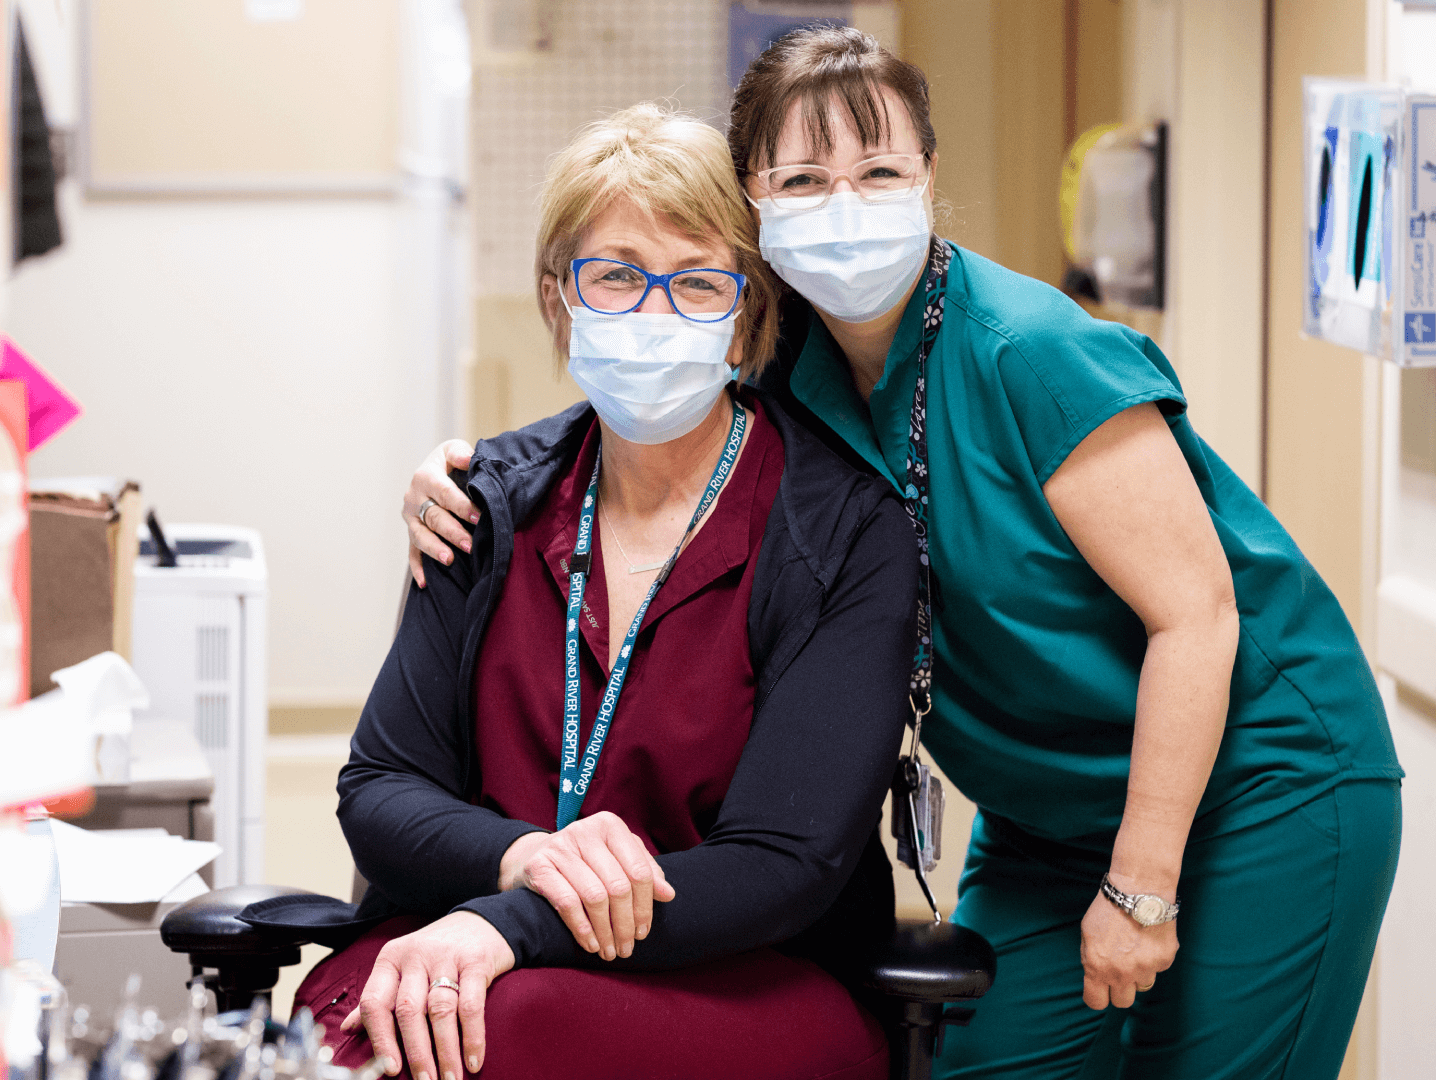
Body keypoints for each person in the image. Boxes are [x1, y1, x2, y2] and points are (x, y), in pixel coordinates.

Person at [404, 27, 1403, 1080]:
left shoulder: (1033, 353)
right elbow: (646, 395)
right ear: (753, 199)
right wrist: (467, 468)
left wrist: (1141, 890)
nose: (845, 204)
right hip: (1046, 813)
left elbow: (1195, 615)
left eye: (878, 170)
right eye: (803, 177)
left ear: (928, 174)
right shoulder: (787, 358)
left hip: (1261, 786)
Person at [298, 102, 918, 1080]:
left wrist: (516, 923)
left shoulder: (843, 533)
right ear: (558, 300)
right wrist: (520, 861)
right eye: (618, 276)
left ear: (748, 307)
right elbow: (379, 787)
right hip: (485, 936)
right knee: (344, 1017)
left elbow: (781, 863)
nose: (655, 313)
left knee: (492, 1027)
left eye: (699, 281)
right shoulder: (484, 504)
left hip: (743, 973)